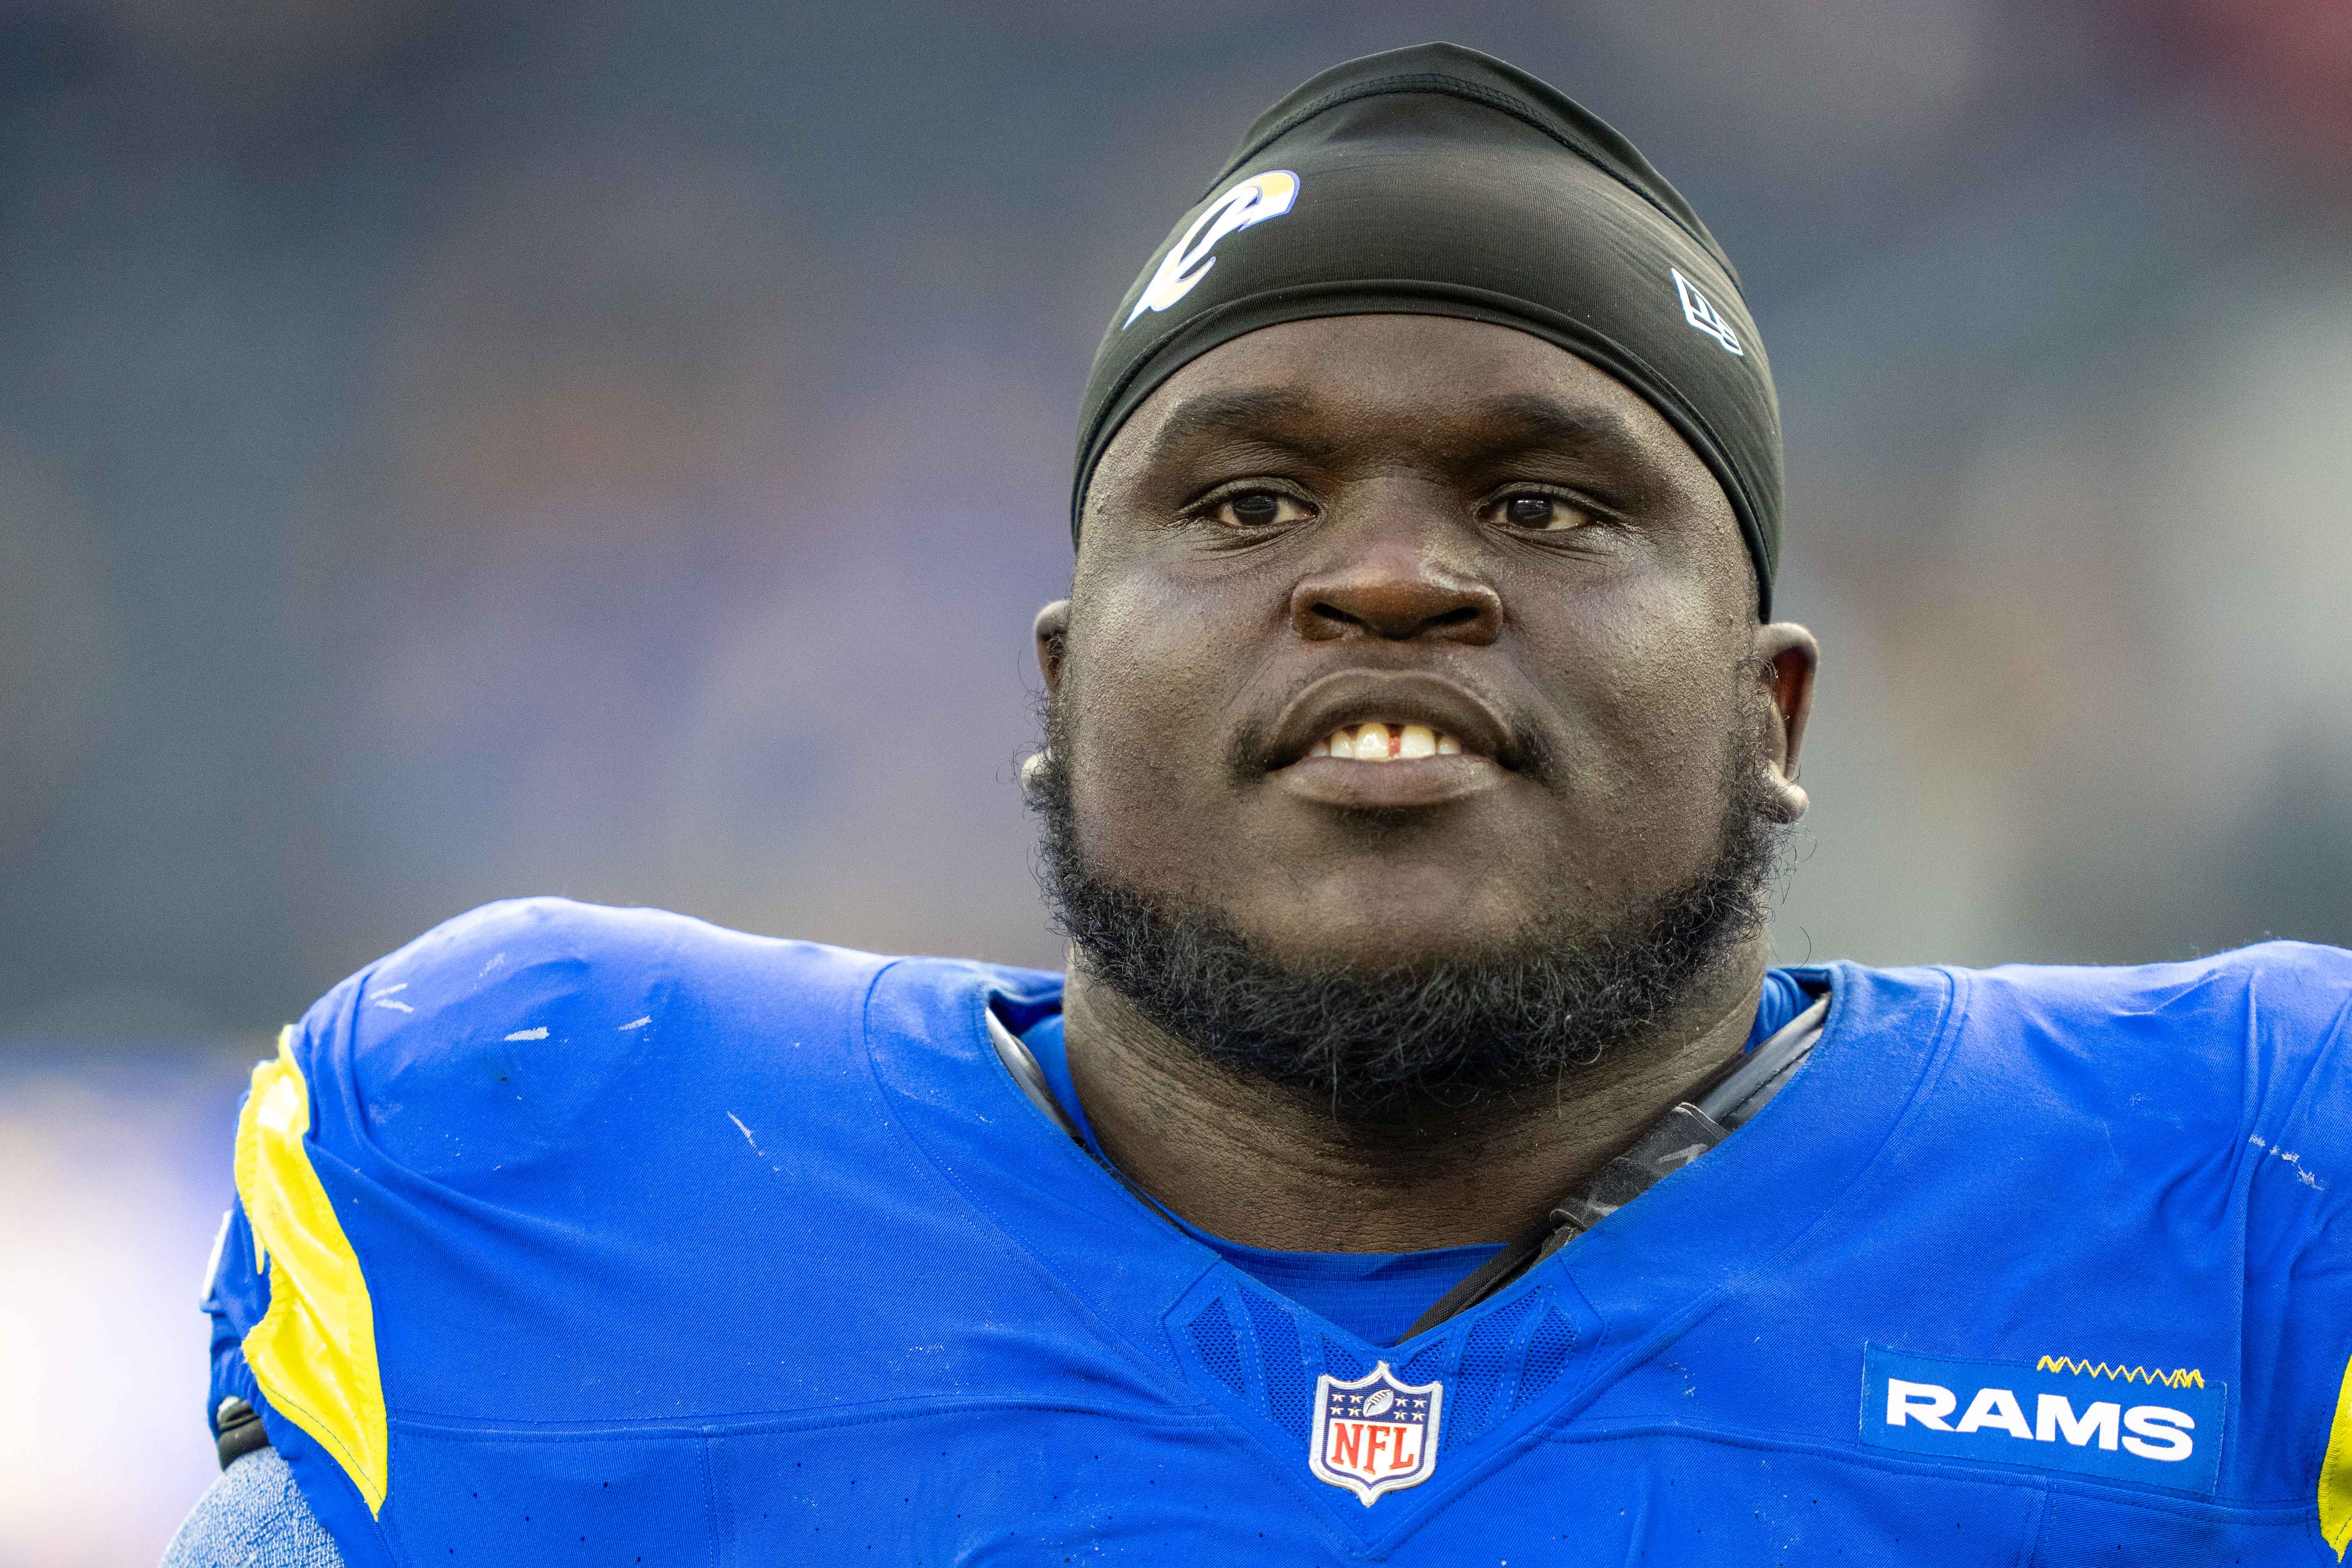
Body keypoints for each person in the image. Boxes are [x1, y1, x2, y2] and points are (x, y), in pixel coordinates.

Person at [166, 42, 2352, 1566]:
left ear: (1773, 711)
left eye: (1544, 496)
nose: (1390, 574)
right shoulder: (548, 1166)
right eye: (1247, 493)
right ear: (1057, 688)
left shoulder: (2252, 1212)